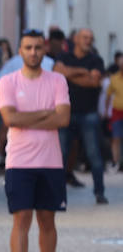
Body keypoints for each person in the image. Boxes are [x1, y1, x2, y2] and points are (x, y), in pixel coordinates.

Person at [0, 30, 70, 252]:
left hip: (50, 162)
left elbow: (62, 119)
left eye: (38, 47)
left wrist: (25, 118)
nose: (33, 52)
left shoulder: (57, 80)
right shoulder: (7, 82)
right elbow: (10, 119)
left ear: (45, 50)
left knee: (47, 219)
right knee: (21, 219)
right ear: (20, 50)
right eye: (28, 47)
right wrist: (44, 113)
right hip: (19, 161)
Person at [54, 29, 107, 204]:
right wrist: (83, 72)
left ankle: (99, 192)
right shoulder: (64, 56)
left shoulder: (96, 60)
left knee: (94, 154)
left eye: (91, 38)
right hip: (65, 113)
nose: (88, 41)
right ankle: (58, 194)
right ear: (76, 39)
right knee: (60, 154)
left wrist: (68, 74)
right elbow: (57, 73)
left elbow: (94, 82)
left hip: (89, 114)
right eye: (85, 37)